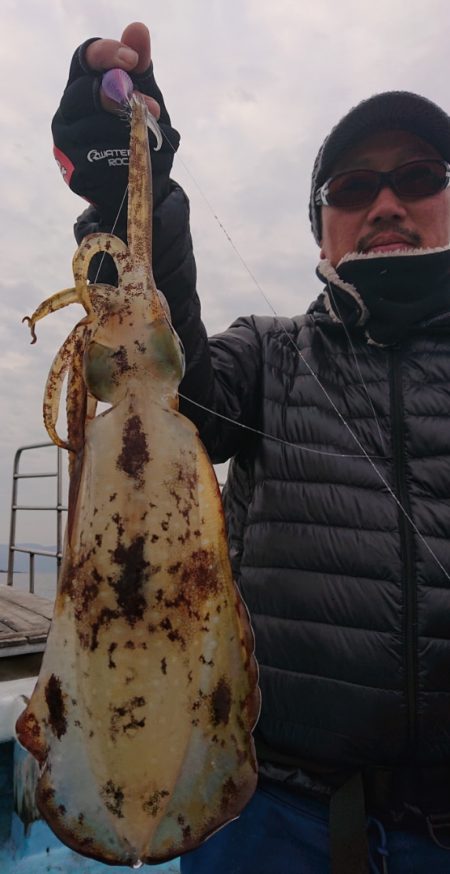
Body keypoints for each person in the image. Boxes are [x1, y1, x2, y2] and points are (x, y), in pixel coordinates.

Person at [54, 22, 450, 874]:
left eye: (420, 177)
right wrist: (131, 185)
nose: (386, 204)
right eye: (354, 188)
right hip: (270, 813)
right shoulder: (270, 355)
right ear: (321, 228)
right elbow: (176, 386)